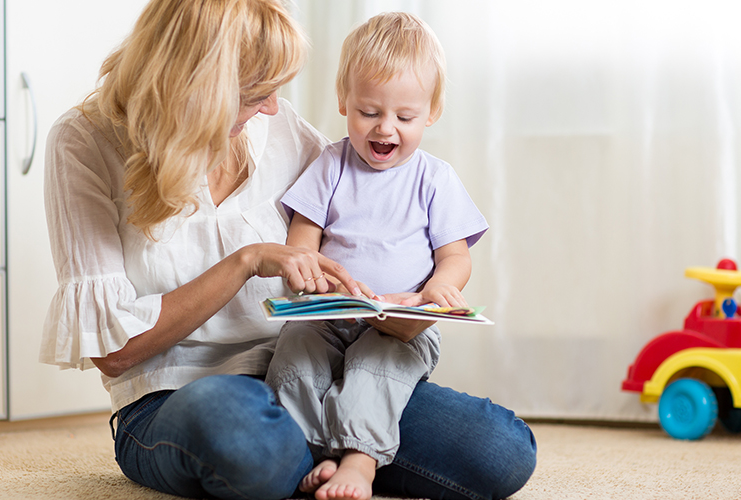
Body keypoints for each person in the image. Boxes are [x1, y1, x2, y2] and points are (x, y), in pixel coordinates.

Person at [40, 0, 537, 499]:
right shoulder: (85, 142)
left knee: (501, 449)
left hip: (312, 371)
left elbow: (370, 199)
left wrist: (412, 300)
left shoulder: (278, 127)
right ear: (198, 86)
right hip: (179, 393)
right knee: (239, 424)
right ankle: (333, 448)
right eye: (257, 93)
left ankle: (335, 452)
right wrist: (247, 261)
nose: (273, 107)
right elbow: (115, 353)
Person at [265, 12, 489, 500]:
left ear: (431, 111)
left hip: (398, 323)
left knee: (374, 368)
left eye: (404, 117)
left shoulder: (435, 179)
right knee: (293, 356)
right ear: (344, 101)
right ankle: (311, 454)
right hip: (329, 314)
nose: (385, 128)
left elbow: (455, 256)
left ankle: (360, 462)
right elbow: (304, 236)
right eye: (368, 112)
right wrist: (307, 274)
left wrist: (437, 288)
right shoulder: (331, 164)